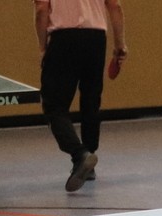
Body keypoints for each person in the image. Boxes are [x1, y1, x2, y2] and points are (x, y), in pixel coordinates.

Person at [33, 0, 127, 192]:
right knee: (91, 101)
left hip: (64, 39)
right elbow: (115, 6)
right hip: (96, 39)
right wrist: (120, 45)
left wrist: (43, 48)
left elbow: (41, 8)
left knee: (54, 106)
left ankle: (80, 155)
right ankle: (89, 162)